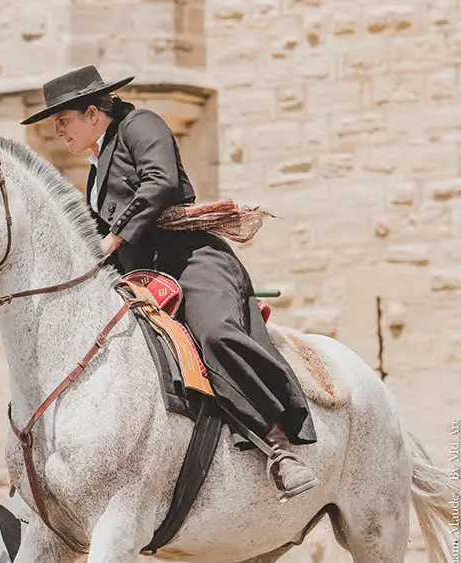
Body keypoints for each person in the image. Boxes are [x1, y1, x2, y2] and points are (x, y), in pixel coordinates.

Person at [20, 65, 320, 500]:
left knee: (215, 332)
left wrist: (112, 238)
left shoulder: (142, 124)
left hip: (191, 259)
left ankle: (279, 446)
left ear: (90, 113)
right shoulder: (94, 169)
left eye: (62, 122)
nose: (59, 133)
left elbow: (159, 183)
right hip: (142, 275)